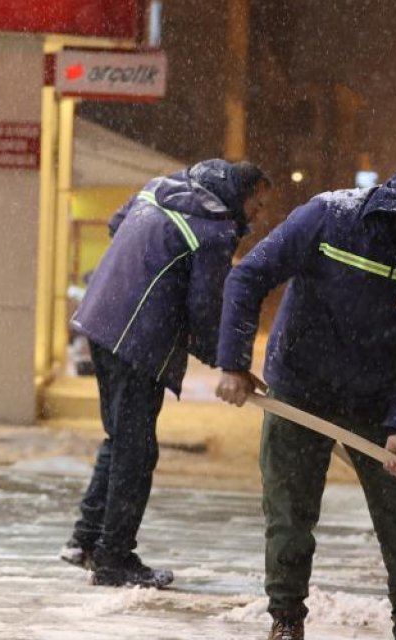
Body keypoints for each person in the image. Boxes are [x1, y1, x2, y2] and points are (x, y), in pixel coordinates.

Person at [216, 155, 396, 640]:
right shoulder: (330, 218)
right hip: (299, 387)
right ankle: (287, 619)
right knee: (290, 510)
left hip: (374, 401)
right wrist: (233, 362)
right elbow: (247, 277)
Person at [61, 159, 271, 587]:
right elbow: (205, 308)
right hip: (138, 340)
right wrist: (230, 364)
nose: (259, 215)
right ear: (239, 194)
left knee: (121, 439)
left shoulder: (162, 187)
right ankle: (114, 558)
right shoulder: (214, 232)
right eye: (258, 204)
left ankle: (86, 541)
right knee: (136, 453)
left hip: (100, 322)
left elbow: (118, 224)